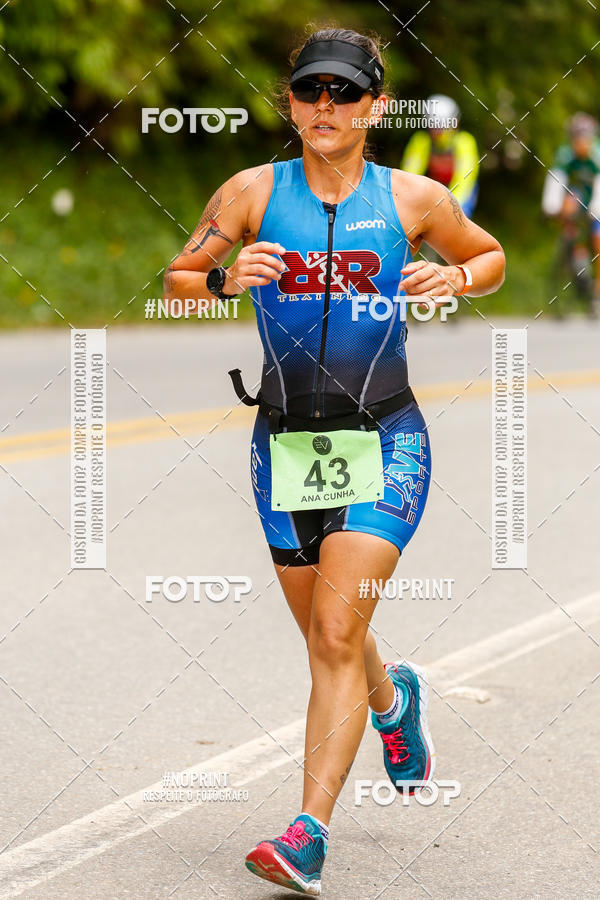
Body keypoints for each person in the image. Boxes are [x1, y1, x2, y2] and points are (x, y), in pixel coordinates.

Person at [165, 28, 505, 896]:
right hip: (281, 443)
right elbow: (175, 277)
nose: (326, 107)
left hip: (384, 437)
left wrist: (456, 282)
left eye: (344, 93)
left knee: (335, 632)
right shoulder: (249, 192)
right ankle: (395, 704)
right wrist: (223, 281)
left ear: (374, 108)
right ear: (289, 102)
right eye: (311, 91)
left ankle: (307, 834)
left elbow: (489, 255)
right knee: (330, 631)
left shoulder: (414, 199)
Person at [542, 112, 600, 308]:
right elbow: (556, 179)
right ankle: (576, 251)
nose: (580, 144)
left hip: (597, 197)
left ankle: (597, 290)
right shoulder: (566, 154)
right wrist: (551, 204)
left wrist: (596, 208)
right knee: (568, 203)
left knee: (598, 237)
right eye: (576, 139)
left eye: (584, 139)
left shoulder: (597, 154)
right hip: (581, 195)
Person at [401, 94, 480, 219]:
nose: (436, 130)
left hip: (460, 193)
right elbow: (409, 176)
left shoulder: (465, 142)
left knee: (456, 220)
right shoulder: (421, 141)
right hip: (434, 189)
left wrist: (452, 207)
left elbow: (465, 180)